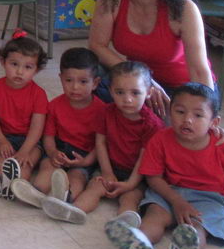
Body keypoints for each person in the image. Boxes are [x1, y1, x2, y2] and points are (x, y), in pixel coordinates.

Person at [106, 83, 224, 249]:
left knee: (198, 228)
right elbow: (153, 178)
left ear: (214, 122)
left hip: (210, 198)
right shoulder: (160, 139)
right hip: (169, 191)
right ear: (169, 112)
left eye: (198, 115)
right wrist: (176, 201)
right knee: (154, 217)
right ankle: (139, 241)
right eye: (180, 112)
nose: (187, 120)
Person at [89, 0, 213, 113]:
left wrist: (205, 113)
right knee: (90, 79)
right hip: (137, 83)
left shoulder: (184, 8)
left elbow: (199, 71)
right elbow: (97, 45)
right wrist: (144, 80)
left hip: (182, 87)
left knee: (171, 132)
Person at [39, 60, 164, 225]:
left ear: (148, 92)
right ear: (111, 91)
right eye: (120, 92)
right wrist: (106, 172)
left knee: (130, 198)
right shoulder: (106, 112)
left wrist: (130, 183)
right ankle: (73, 210)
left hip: (137, 175)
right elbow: (101, 143)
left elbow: (145, 157)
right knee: (94, 188)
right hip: (109, 167)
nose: (127, 99)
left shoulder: (152, 124)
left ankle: (125, 225)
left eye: (135, 93)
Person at [10, 48, 105, 218]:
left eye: (83, 82)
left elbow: (101, 143)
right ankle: (37, 194)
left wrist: (86, 161)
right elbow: (48, 136)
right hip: (59, 149)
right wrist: (53, 152)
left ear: (95, 83)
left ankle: (65, 198)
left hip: (84, 155)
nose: (75, 87)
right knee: (47, 168)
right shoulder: (54, 105)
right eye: (69, 80)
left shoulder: (102, 111)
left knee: (77, 178)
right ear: (61, 79)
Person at [0, 31, 49, 199]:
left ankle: (17, 188)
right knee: (2, 163)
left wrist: (24, 150)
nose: (19, 72)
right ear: (3, 62)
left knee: (25, 164)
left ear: (36, 70)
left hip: (31, 142)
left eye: (28, 67)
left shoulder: (39, 94)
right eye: (14, 64)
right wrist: (1, 141)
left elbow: (37, 127)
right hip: (4, 136)